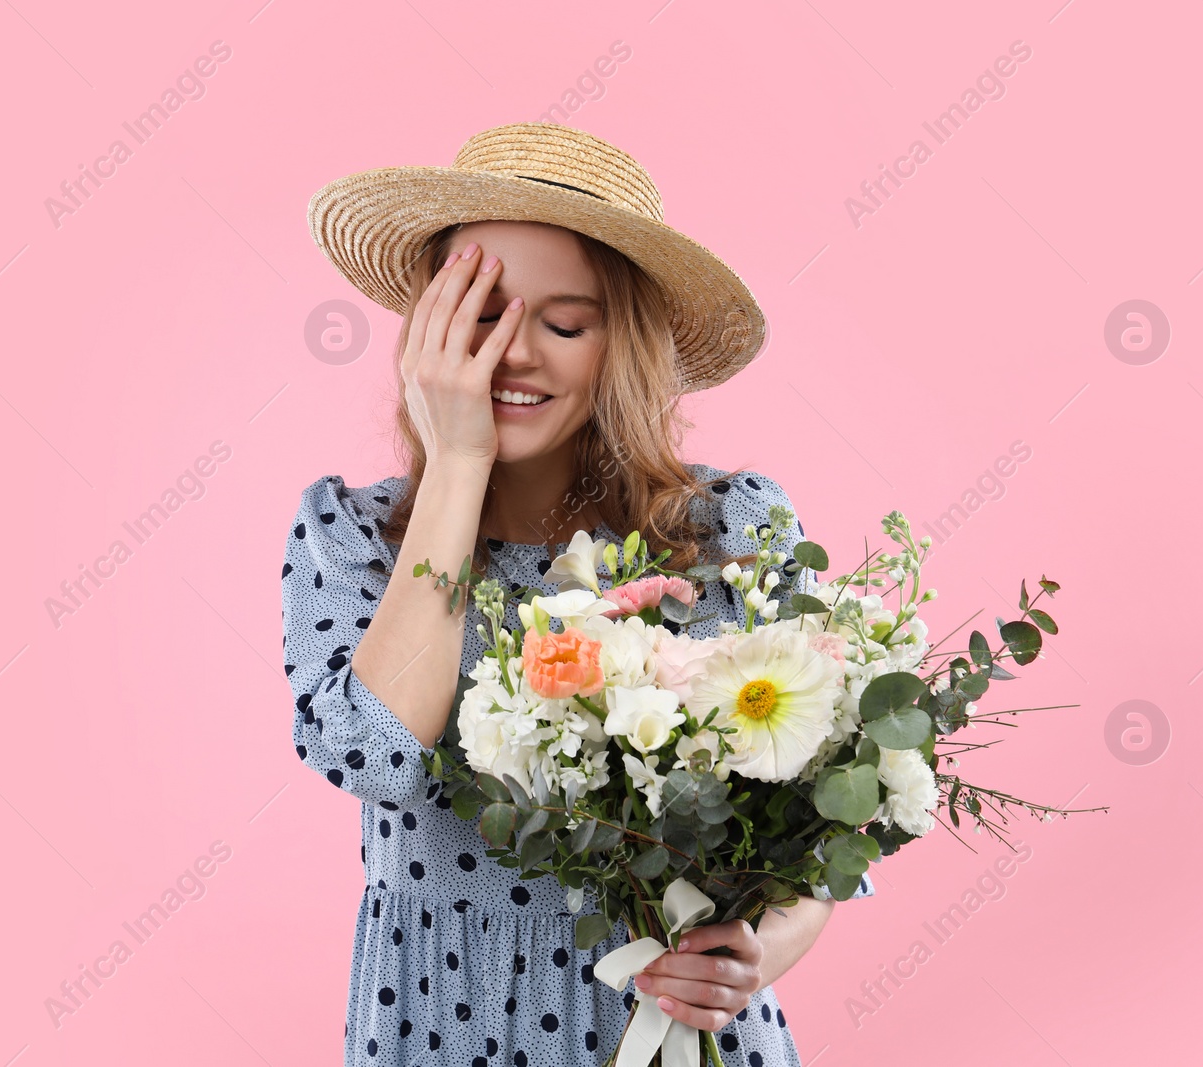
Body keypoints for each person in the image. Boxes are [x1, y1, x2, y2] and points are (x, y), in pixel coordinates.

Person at [286, 122, 873, 1067]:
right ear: (426, 329)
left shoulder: (732, 533)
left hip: (671, 1034)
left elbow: (823, 842)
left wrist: (750, 955)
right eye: (477, 313)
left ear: (622, 345)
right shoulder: (352, 536)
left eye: (564, 323)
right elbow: (379, 752)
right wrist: (457, 463)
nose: (511, 355)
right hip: (440, 1027)